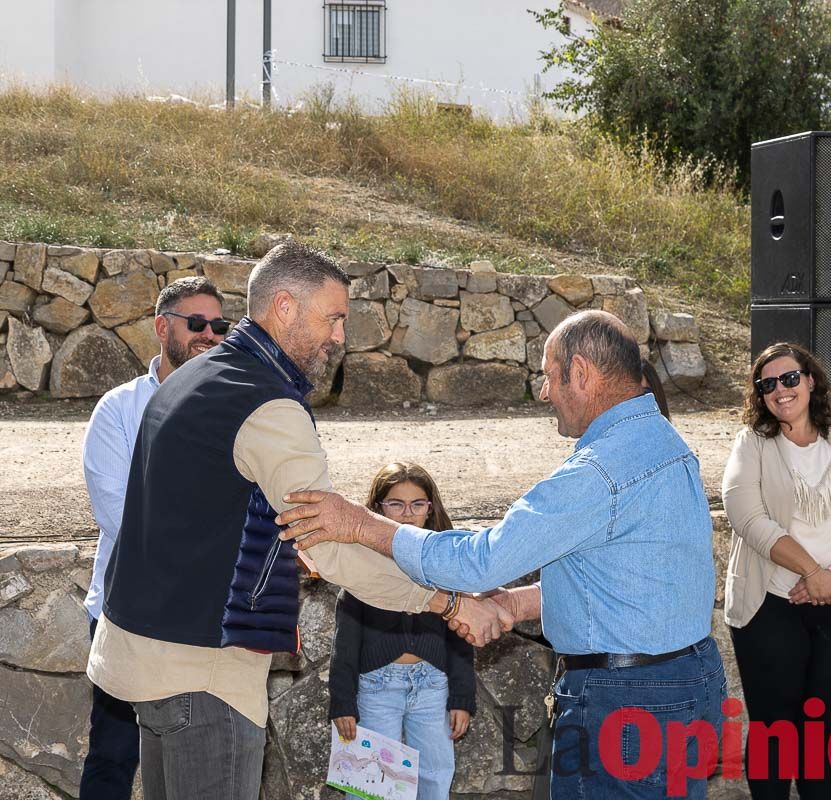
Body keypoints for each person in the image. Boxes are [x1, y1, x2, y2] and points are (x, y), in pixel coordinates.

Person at [85, 241, 511, 800]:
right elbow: (331, 546)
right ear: (284, 306)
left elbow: (222, 514)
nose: (340, 337)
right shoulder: (268, 406)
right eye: (333, 318)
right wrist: (451, 602)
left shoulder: (193, 375)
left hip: (140, 657)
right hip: (203, 675)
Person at [278, 310, 725, 799]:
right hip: (688, 681)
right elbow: (629, 580)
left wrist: (359, 523)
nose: (545, 392)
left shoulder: (599, 472)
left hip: (627, 703)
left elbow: (478, 561)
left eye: (549, 376)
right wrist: (513, 605)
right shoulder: (665, 443)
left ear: (580, 373)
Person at [79, 276, 227, 800]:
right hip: (127, 613)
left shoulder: (234, 410)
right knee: (114, 755)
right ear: (163, 327)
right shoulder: (118, 410)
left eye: (220, 325)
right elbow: (121, 516)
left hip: (202, 620)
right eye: (197, 323)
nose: (210, 334)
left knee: (194, 759)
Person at [720, 341, 831, 800]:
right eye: (768, 384)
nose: (781, 389)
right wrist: (811, 570)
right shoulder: (752, 444)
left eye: (790, 378)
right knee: (775, 734)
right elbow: (748, 517)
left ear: (811, 381)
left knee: (818, 733)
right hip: (770, 609)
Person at [329, 462, 475, 800]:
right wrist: (342, 703)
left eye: (417, 504)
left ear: (430, 508)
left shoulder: (445, 567)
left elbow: (460, 638)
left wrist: (462, 698)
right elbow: (345, 644)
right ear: (377, 509)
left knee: (436, 777)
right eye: (395, 503)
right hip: (376, 688)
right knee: (369, 784)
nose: (407, 513)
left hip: (432, 687)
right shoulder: (361, 569)